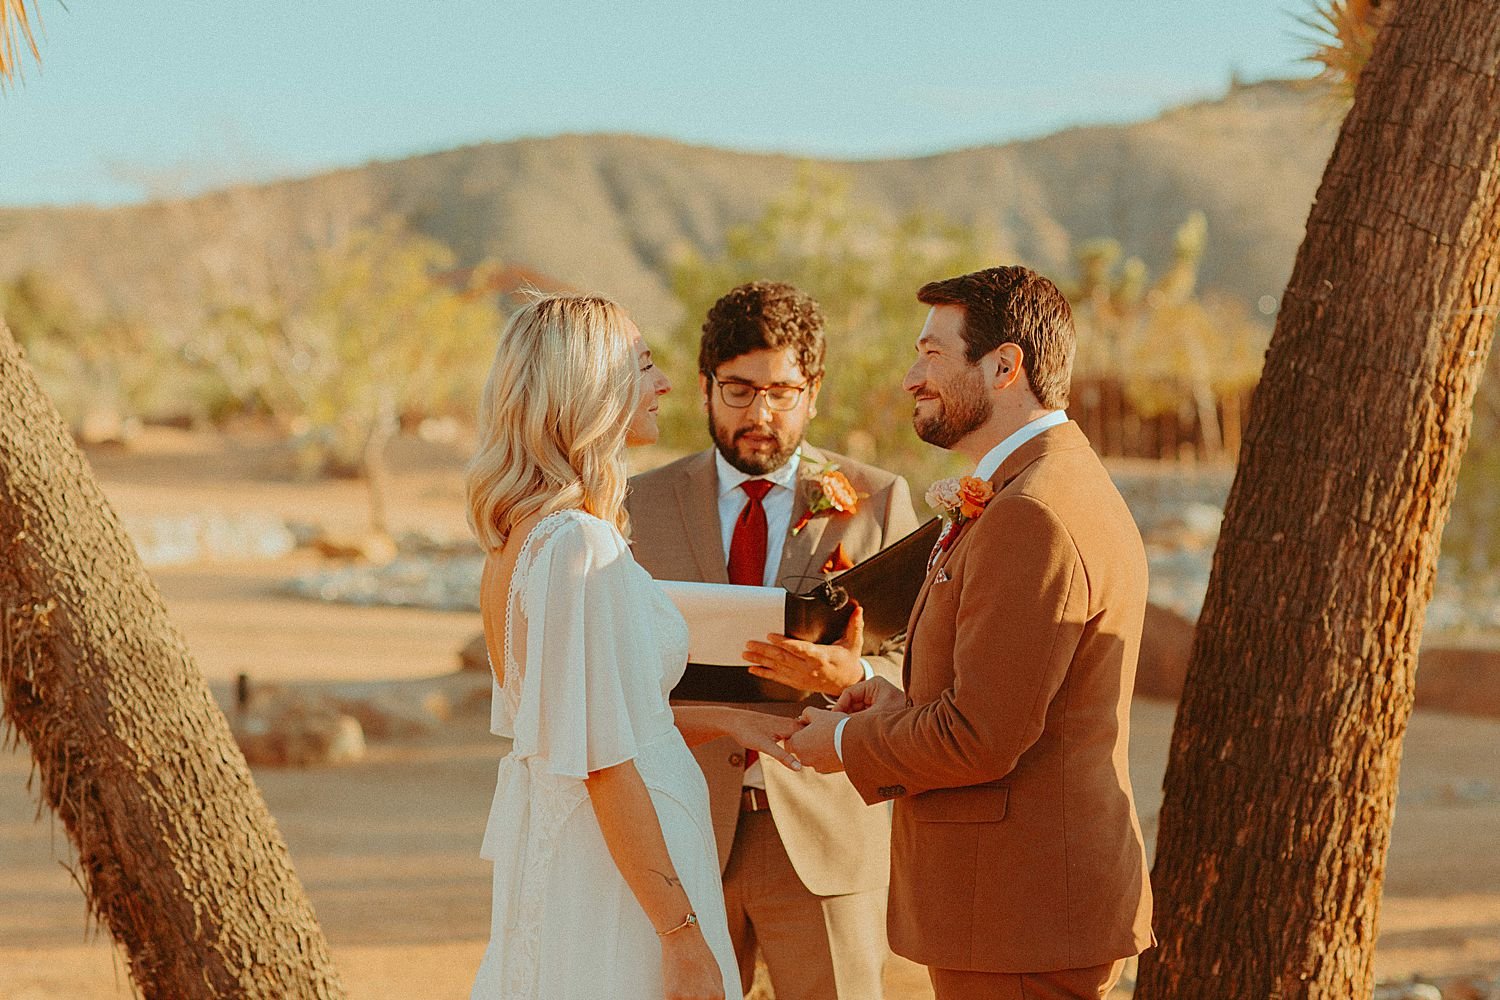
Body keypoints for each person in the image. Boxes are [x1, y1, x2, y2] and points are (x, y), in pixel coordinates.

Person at [786, 266, 1155, 1000]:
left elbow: (983, 736)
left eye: (931, 354)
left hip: (1023, 914)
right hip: (1017, 910)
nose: (910, 378)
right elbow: (1001, 699)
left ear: (1005, 365)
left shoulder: (1032, 512)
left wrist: (839, 745)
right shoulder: (1040, 484)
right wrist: (880, 698)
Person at [466, 294, 804, 1000]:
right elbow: (604, 767)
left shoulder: (525, 540)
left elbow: (583, 725)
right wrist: (681, 939)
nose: (665, 384)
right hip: (618, 885)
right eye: (644, 365)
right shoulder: (575, 546)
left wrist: (728, 721)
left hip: (599, 861)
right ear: (591, 387)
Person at [628, 281, 918, 1000]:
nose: (761, 414)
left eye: (783, 392)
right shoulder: (636, 504)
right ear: (703, 387)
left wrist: (851, 672)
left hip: (825, 840)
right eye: (739, 389)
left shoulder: (878, 501)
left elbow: (922, 663)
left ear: (813, 392)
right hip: (681, 832)